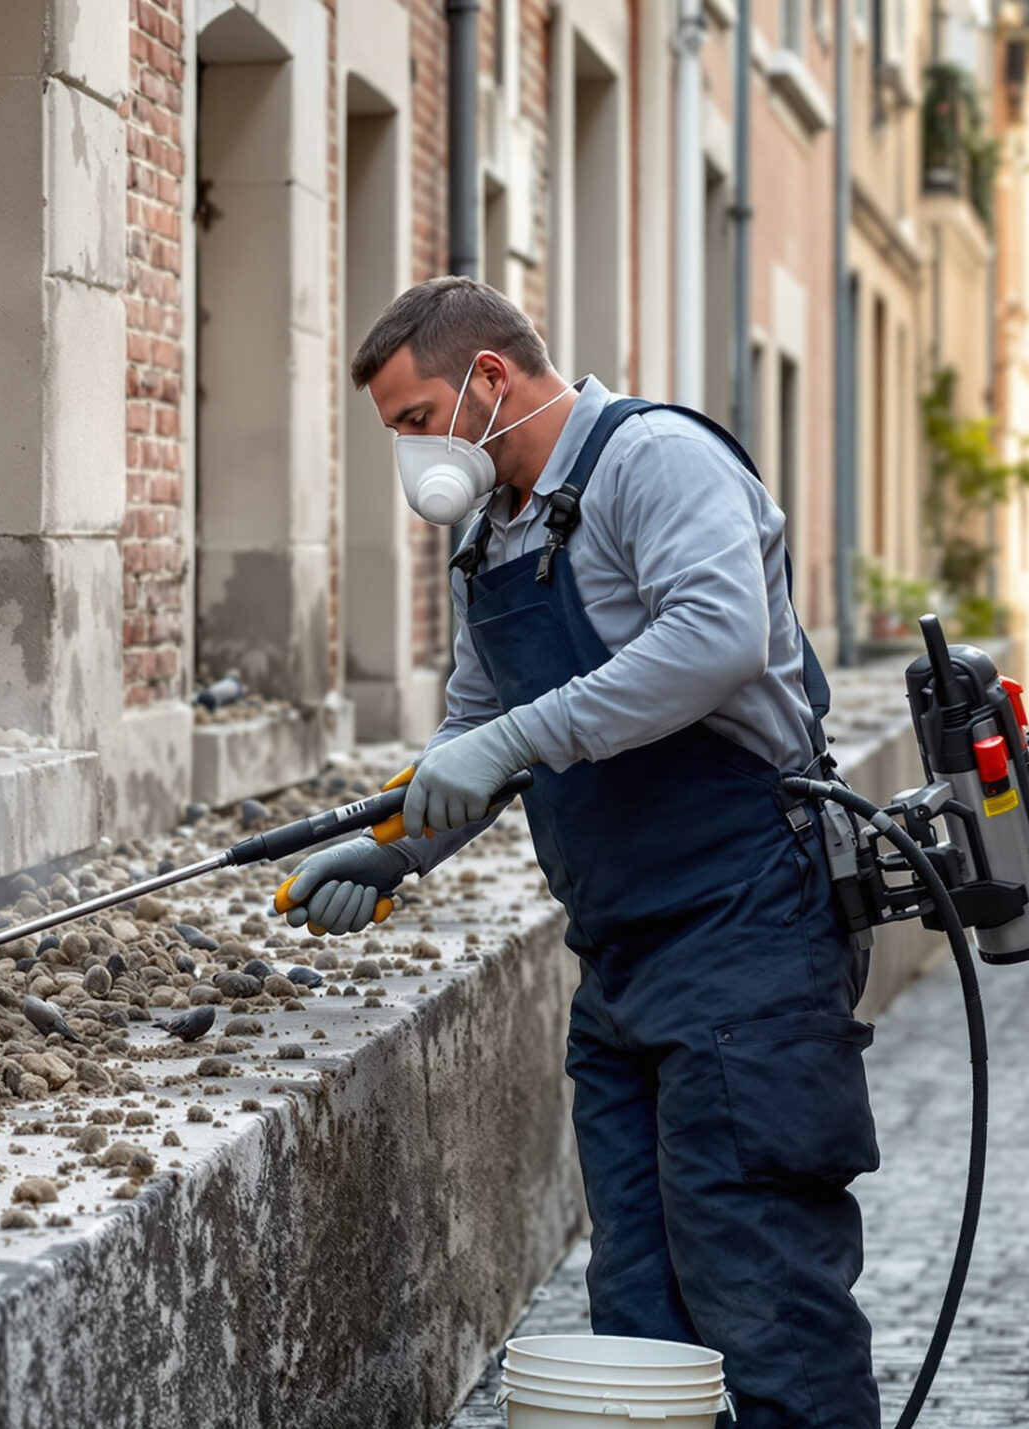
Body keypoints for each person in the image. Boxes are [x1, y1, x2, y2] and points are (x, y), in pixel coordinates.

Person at [284, 276, 880, 1428]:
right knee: (641, 1316)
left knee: (760, 1296)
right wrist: (396, 848)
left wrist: (512, 736)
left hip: (748, 935)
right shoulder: (493, 534)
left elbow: (714, 638)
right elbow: (472, 728)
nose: (409, 454)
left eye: (415, 421)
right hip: (618, 964)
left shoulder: (653, 463)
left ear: (489, 380)